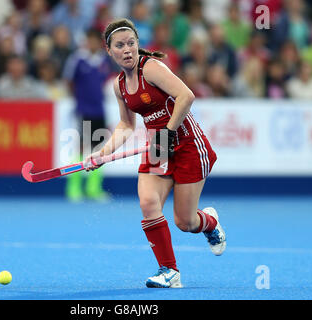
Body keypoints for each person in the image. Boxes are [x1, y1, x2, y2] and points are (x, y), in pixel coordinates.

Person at [85, 18, 226, 288]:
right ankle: (169, 272)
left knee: (185, 222)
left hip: (186, 144)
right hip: (158, 146)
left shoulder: (151, 68)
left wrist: (170, 130)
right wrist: (101, 153)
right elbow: (127, 125)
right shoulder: (119, 85)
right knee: (148, 204)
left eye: (131, 43)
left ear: (138, 44)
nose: (127, 49)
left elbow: (186, 96)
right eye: (120, 45)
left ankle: (209, 223)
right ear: (109, 50)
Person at [62, 27, 113, 202]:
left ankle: (94, 188)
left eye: (94, 40)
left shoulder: (104, 60)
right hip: (84, 111)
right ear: (85, 41)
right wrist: (79, 99)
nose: (91, 43)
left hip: (100, 110)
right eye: (89, 39)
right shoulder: (77, 59)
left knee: (99, 150)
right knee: (81, 148)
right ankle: (74, 187)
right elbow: (68, 80)